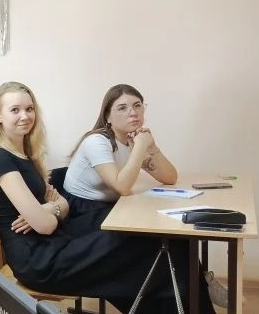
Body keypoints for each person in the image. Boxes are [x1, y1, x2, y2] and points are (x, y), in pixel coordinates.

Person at [0, 81, 217, 314]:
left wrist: (51, 207)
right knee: (156, 245)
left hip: (54, 241)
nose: (25, 116)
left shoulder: (26, 153)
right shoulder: (0, 160)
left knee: (168, 242)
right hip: (40, 260)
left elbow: (59, 206)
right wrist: (53, 209)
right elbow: (45, 224)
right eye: (15, 110)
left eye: (29, 108)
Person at [64, 84, 178, 221]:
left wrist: (152, 146)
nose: (133, 112)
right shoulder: (97, 142)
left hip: (112, 205)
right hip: (83, 211)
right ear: (108, 117)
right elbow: (122, 187)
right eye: (122, 108)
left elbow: (170, 178)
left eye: (137, 105)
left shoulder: (131, 140)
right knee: (149, 230)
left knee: (163, 223)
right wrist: (141, 146)